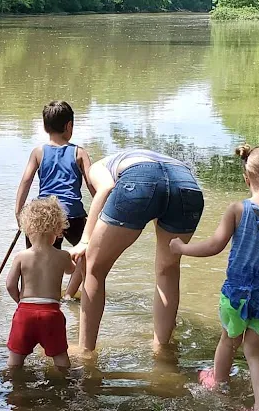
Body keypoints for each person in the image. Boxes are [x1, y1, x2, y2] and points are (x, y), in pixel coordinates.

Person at [170, 145, 259, 411]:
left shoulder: (237, 209)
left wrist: (181, 248)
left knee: (229, 340)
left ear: (246, 178)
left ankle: (218, 384)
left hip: (236, 294)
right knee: (255, 351)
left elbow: (214, 246)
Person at [69, 148, 204, 352]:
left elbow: (106, 188)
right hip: (187, 185)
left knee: (93, 265)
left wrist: (85, 239)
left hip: (141, 180)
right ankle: (161, 348)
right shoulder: (135, 157)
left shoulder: (96, 167)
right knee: (167, 269)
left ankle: (85, 351)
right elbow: (162, 190)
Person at [15, 100, 94, 300]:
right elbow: (93, 184)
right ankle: (68, 295)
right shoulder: (79, 152)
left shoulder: (38, 152)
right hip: (72, 215)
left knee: (36, 260)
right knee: (88, 253)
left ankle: (32, 298)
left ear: (44, 126)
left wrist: (19, 212)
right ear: (69, 126)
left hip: (44, 216)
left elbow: (26, 181)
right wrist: (102, 211)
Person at [6, 197, 76, 371]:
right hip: (51, 314)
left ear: (28, 229)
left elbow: (10, 285)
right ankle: (66, 381)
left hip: (25, 313)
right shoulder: (63, 256)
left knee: (15, 360)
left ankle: (13, 382)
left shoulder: (21, 256)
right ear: (58, 230)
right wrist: (78, 259)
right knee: (60, 357)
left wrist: (21, 302)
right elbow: (72, 270)